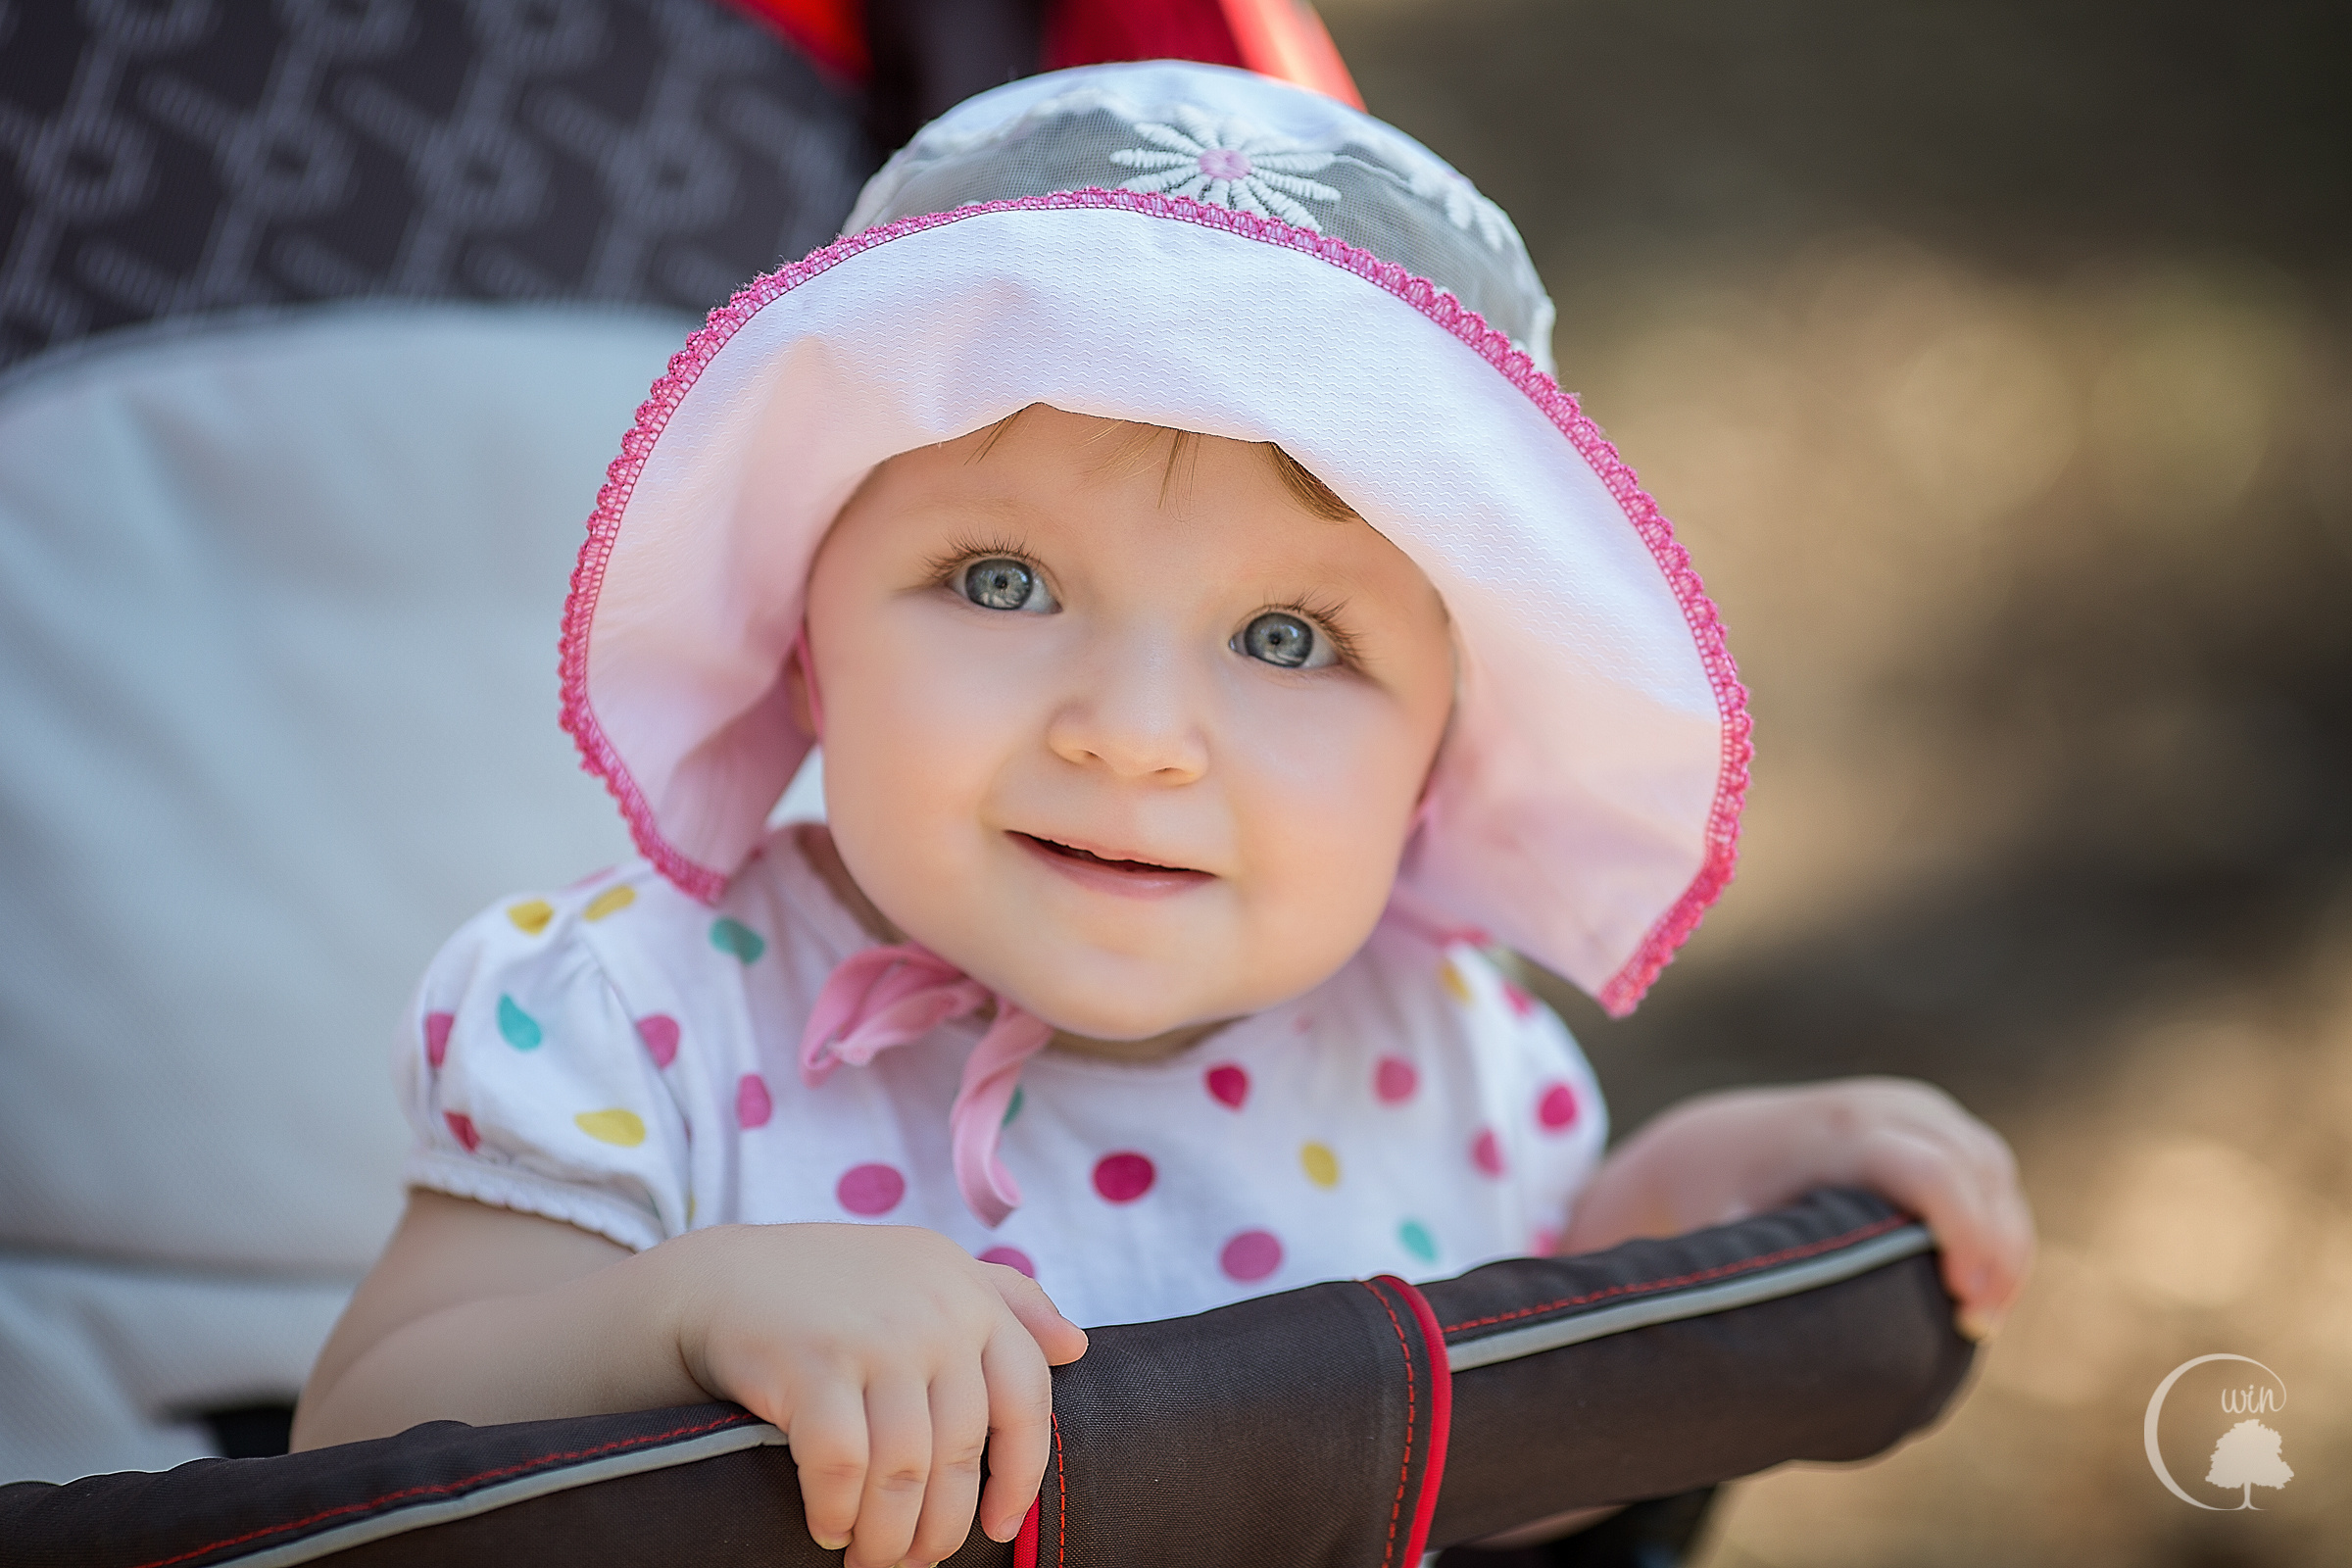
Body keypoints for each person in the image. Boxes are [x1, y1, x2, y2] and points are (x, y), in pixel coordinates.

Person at [291, 61, 2033, 1568]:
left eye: (1289, 639)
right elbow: (356, 1459)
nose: (1132, 739)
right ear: (809, 640)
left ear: (1437, 752)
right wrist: (681, 1316)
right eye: (997, 578)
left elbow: (1514, 1495)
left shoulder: (1455, 1068)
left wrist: (1671, 1226)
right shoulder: (640, 1015)